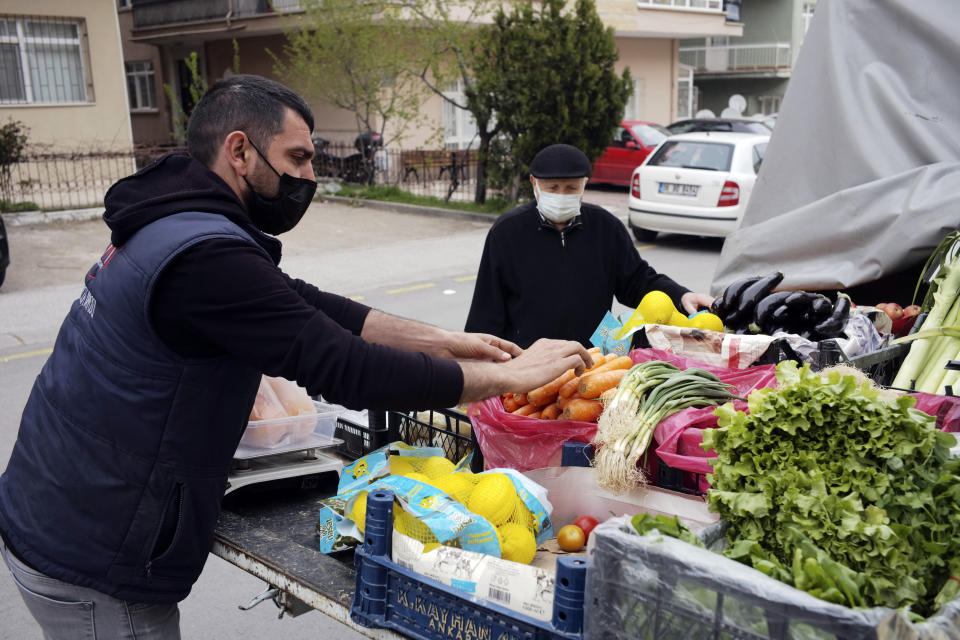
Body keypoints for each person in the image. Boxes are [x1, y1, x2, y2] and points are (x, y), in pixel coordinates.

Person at [0, 75, 591, 639]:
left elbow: (308, 305)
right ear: (239, 150)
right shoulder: (203, 255)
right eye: (298, 158)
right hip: (93, 548)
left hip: (61, 505)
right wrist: (506, 377)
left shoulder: (176, 221)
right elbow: (344, 367)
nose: (310, 176)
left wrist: (446, 340)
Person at [465, 143, 715, 348]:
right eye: (552, 188)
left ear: (584, 185)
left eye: (571, 187)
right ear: (534, 184)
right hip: (526, 363)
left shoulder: (605, 227)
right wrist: (481, 366)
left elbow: (639, 280)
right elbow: (486, 311)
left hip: (592, 361)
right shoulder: (507, 232)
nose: (562, 195)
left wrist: (682, 295)